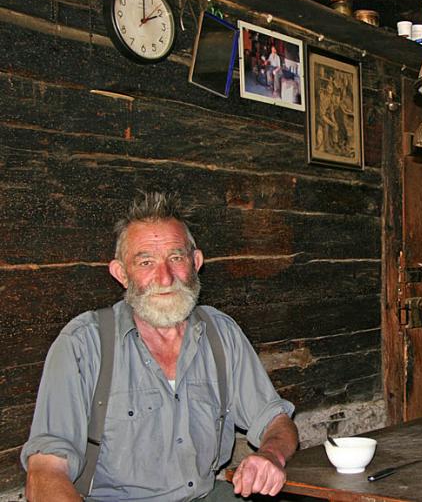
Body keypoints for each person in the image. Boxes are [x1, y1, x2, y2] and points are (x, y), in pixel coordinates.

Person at [21, 192, 298, 501]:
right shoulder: (82, 345)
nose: (165, 278)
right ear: (121, 274)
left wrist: (272, 456)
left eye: (176, 258)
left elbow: (276, 420)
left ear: (196, 263)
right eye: (146, 262)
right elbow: (45, 473)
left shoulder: (221, 333)